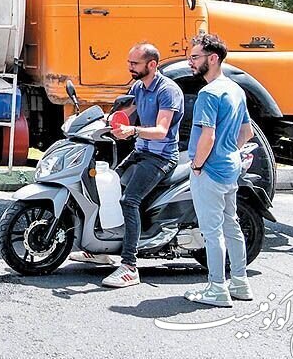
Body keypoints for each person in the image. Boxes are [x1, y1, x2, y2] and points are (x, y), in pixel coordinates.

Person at [76, 42, 184, 287]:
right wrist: (104, 121)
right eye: (129, 62)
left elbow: (161, 130)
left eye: (134, 63)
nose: (130, 67)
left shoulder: (168, 91)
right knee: (106, 189)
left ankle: (129, 267)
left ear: (152, 64)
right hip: (141, 151)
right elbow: (124, 110)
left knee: (129, 200)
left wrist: (132, 130)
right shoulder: (138, 86)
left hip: (161, 156)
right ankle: (101, 248)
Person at [184, 33, 254, 307]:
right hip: (230, 167)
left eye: (195, 57)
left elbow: (207, 136)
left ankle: (216, 288)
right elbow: (246, 132)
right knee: (231, 224)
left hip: (210, 171)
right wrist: (228, 152)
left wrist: (198, 164)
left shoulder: (208, 93)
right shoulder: (235, 90)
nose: (191, 62)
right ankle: (240, 282)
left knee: (212, 232)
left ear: (212, 58)